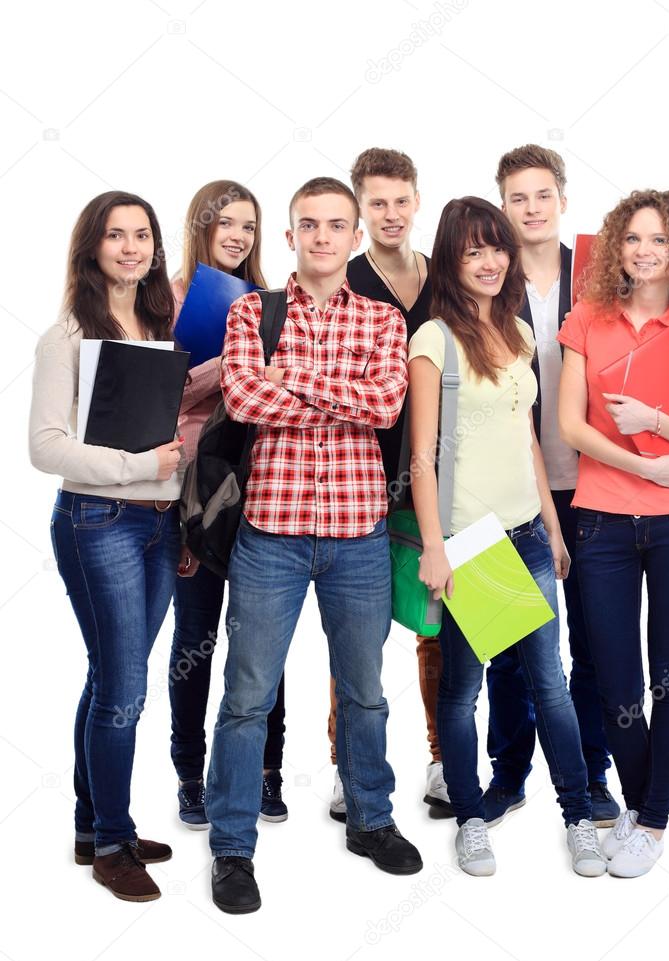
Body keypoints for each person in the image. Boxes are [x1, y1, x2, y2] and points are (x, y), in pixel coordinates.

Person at [205, 176, 423, 914]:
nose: (324, 236)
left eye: (338, 224)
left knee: (364, 693)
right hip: (270, 535)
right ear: (291, 235)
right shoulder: (250, 312)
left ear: (357, 237)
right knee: (246, 698)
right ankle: (233, 847)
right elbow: (243, 398)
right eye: (309, 224)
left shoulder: (385, 321)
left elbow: (387, 404)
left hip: (359, 537)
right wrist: (336, 392)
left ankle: (371, 818)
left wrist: (293, 377)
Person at [409, 196, 607, 878]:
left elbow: (527, 438)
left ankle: (578, 817)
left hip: (525, 533)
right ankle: (470, 818)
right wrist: (435, 546)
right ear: (451, 261)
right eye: (473, 251)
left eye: (496, 247)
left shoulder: (520, 334)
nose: (490, 261)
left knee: (549, 685)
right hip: (473, 543)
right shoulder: (434, 339)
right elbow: (422, 455)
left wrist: (553, 530)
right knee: (464, 690)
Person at [558, 189, 669, 877]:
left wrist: (656, 421)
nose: (643, 250)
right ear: (616, 249)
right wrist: (641, 465)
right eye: (632, 238)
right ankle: (636, 808)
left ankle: (653, 823)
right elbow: (572, 427)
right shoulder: (587, 320)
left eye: (658, 240)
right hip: (601, 520)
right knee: (614, 681)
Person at [29, 191, 184, 902]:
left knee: (110, 678)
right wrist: (139, 469)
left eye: (142, 235)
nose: (130, 247)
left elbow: (169, 428)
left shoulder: (161, 323)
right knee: (124, 689)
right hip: (99, 521)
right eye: (116, 235)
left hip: (159, 524)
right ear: (92, 247)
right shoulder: (67, 336)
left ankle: (93, 825)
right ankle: (115, 842)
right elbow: (46, 447)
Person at [484, 144, 620, 828]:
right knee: (509, 643)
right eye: (517, 197)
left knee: (591, 641)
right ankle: (507, 773)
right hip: (507, 490)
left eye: (542, 195)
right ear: (502, 206)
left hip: (594, 486)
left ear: (563, 200)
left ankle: (592, 774)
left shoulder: (600, 275)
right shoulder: (487, 280)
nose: (531, 209)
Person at [326, 147, 450, 822]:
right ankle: (350, 767)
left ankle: (441, 761)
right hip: (361, 481)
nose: (391, 213)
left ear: (416, 200)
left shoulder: (444, 278)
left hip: (436, 475)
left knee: (435, 625)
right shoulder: (343, 279)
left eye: (401, 200)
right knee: (360, 632)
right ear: (359, 209)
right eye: (377, 203)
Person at [168, 180, 288, 829]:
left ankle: (267, 768)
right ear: (203, 226)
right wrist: (238, 367)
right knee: (196, 636)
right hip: (197, 491)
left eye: (249, 225)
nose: (239, 236)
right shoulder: (173, 298)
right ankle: (191, 773)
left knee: (263, 638)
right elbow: (167, 392)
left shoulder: (273, 302)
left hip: (264, 485)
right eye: (228, 224)